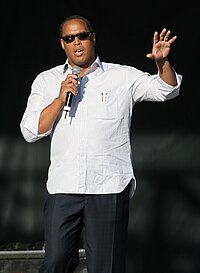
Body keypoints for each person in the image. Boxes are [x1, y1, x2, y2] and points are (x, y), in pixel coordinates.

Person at [20, 14, 182, 273]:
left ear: (93, 38)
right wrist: (60, 99)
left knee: (105, 267)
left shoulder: (121, 76)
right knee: (55, 263)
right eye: (70, 38)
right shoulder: (47, 81)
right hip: (64, 187)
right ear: (62, 44)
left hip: (108, 187)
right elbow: (31, 131)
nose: (77, 42)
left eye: (82, 35)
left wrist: (163, 64)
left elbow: (166, 90)